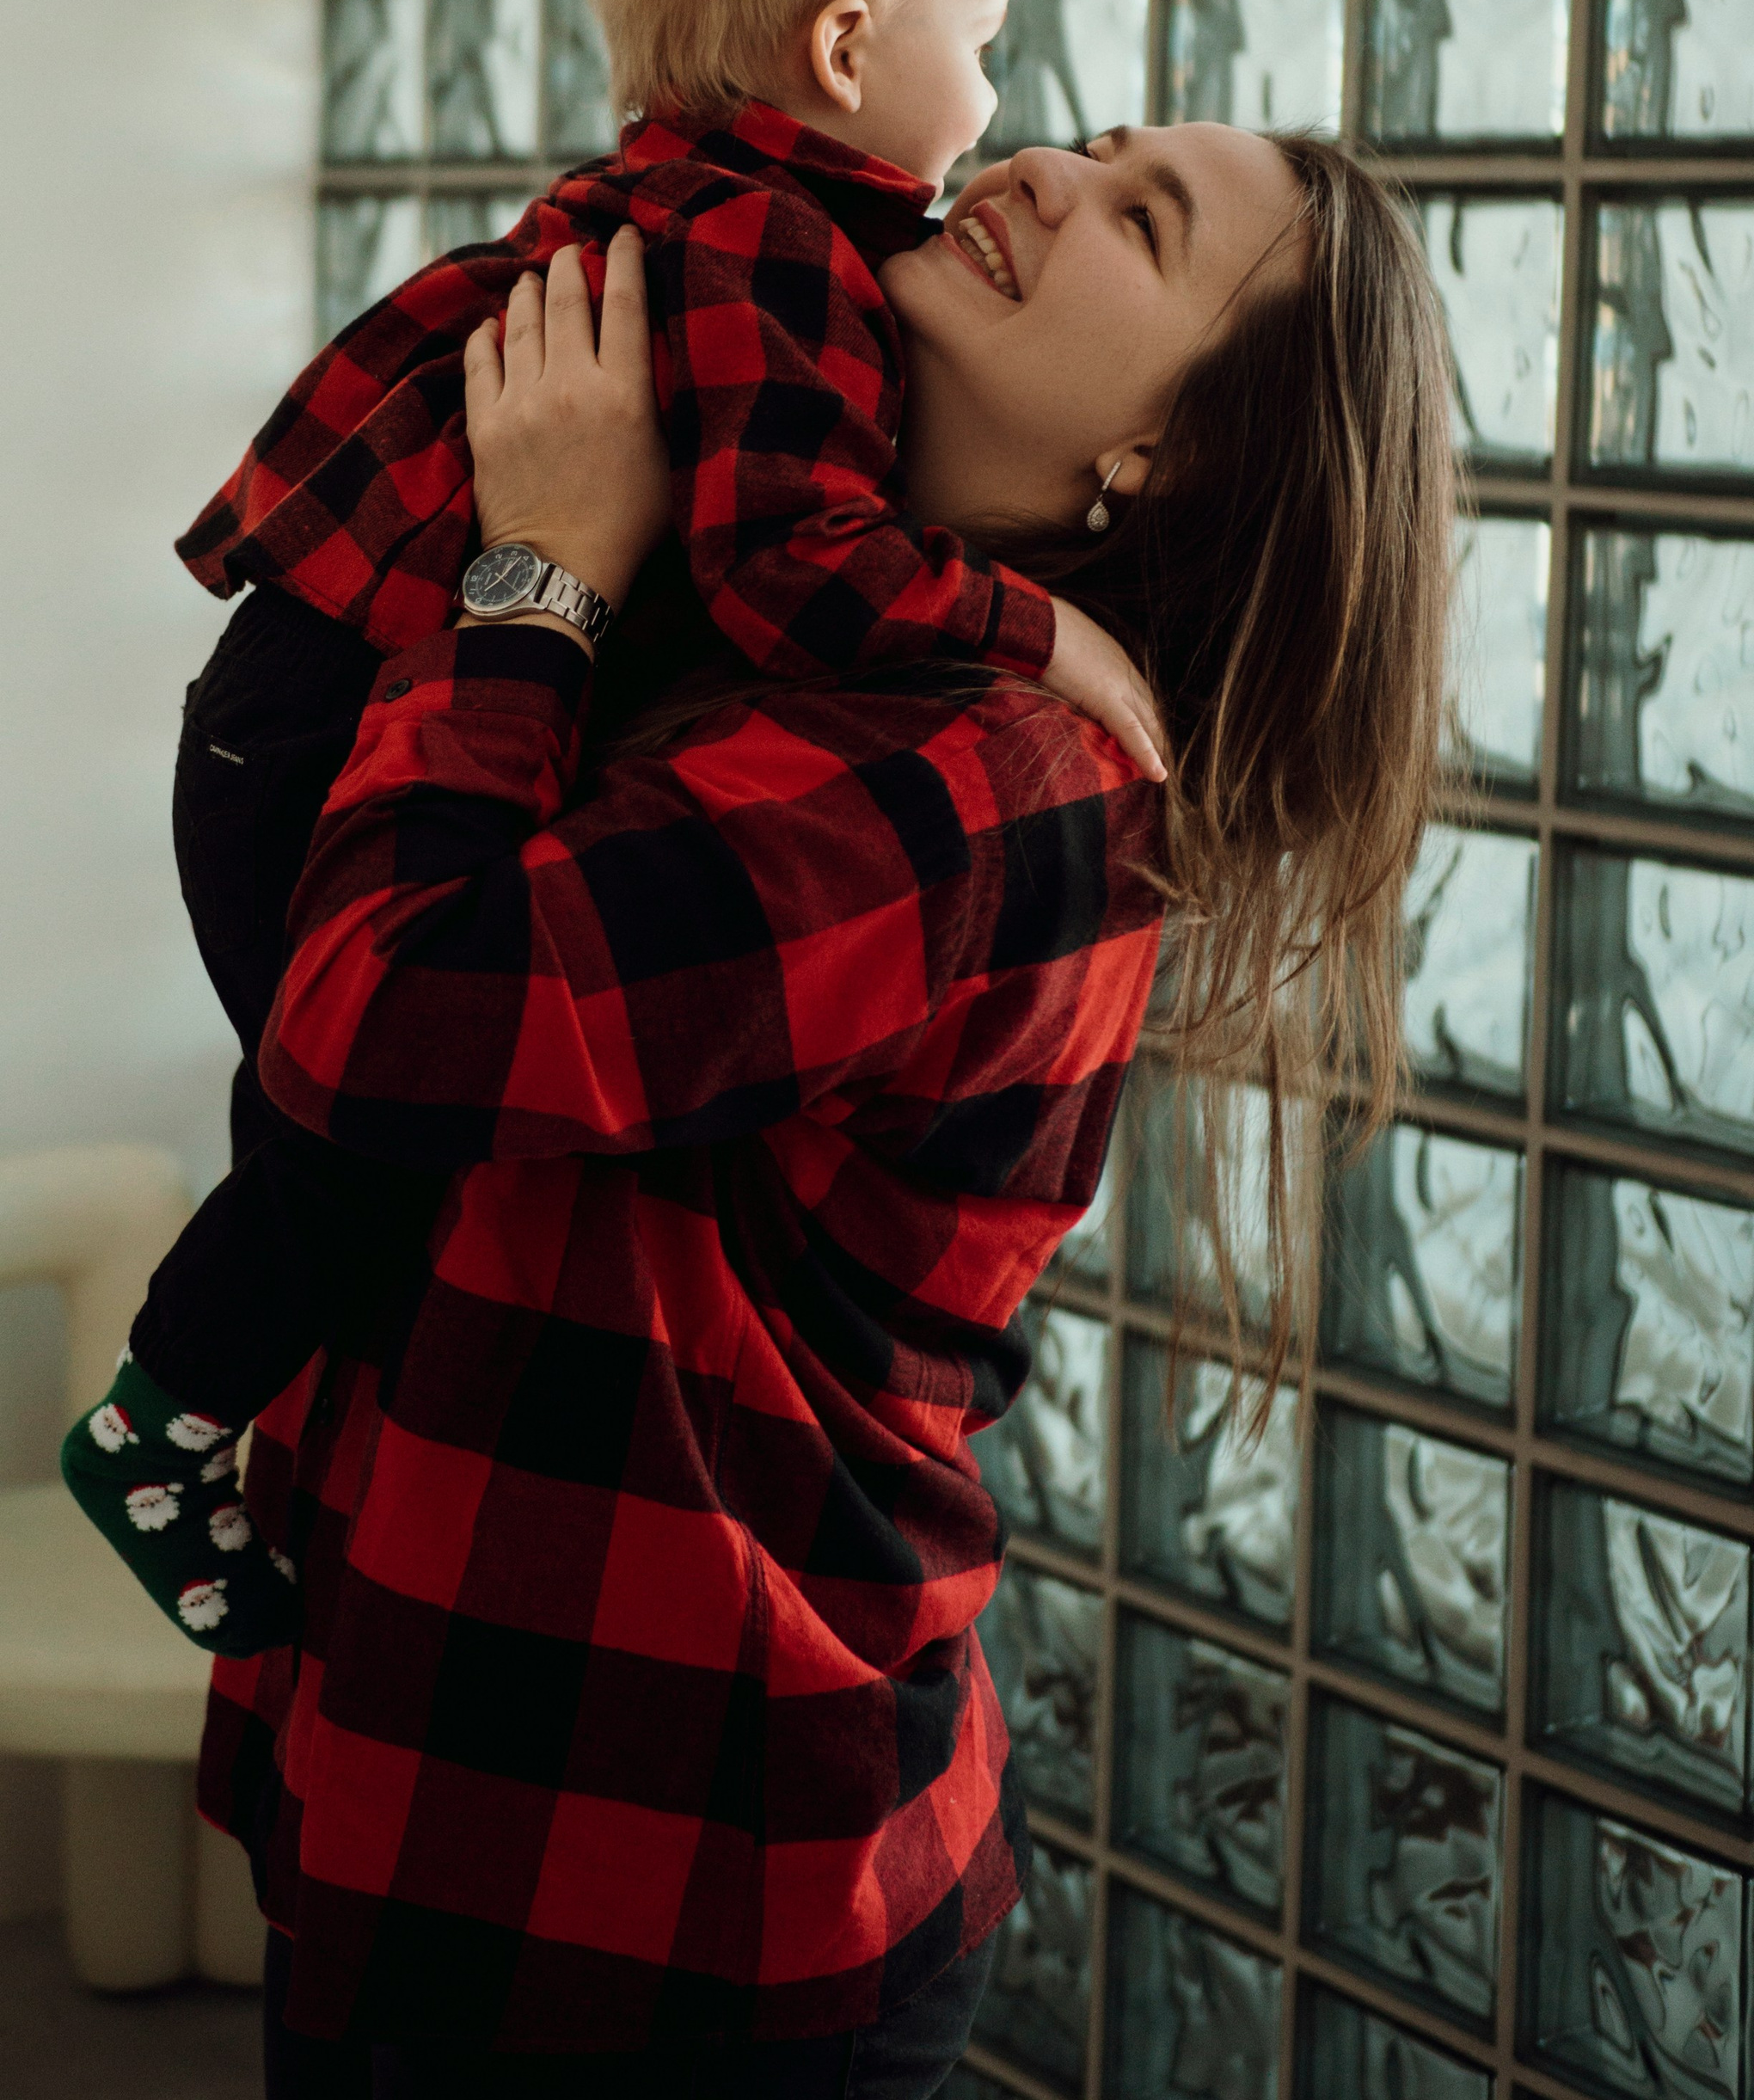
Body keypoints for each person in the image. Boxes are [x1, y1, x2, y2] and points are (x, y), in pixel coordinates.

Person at [71, 111, 1455, 2095]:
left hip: (661, 1874)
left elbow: (379, 1031)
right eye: (1086, 140)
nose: (1045, 171)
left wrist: (537, 565)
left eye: (1140, 224)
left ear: (1169, 456)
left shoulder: (994, 778)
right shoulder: (770, 617)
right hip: (434, 1750)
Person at [63, 0, 1170, 1646]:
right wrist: (1039, 629)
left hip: (283, 706)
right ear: (840, 47)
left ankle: (192, 1417)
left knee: (362, 1146)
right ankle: (161, 1421)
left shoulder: (686, 198)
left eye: (1144, 220)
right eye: (982, 42)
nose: (1008, 125)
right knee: (363, 1127)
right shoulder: (778, 251)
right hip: (328, 720)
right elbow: (786, 566)